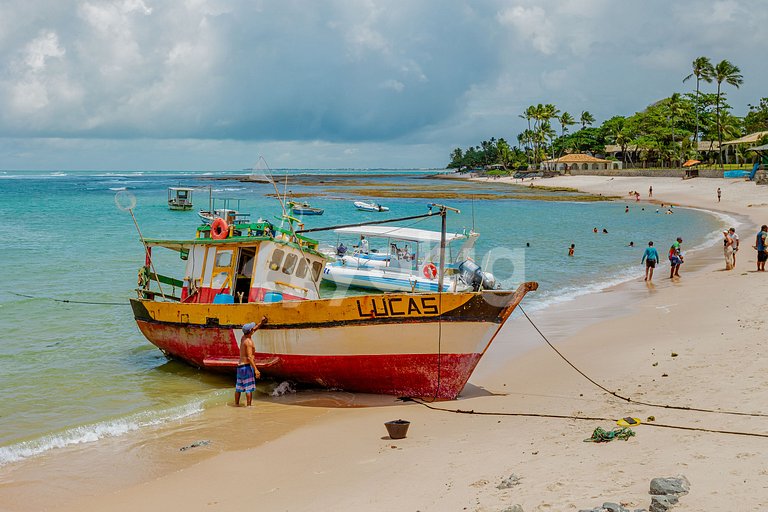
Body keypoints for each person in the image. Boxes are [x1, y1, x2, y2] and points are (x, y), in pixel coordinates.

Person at [235, 317, 267, 406]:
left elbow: (254, 329)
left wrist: (261, 323)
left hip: (240, 367)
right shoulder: (249, 342)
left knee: (238, 388)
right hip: (246, 367)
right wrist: (256, 370)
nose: (253, 329)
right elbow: (249, 357)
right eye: (252, 329)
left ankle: (236, 404)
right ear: (250, 331)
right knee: (248, 388)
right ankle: (249, 406)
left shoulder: (243, 338)